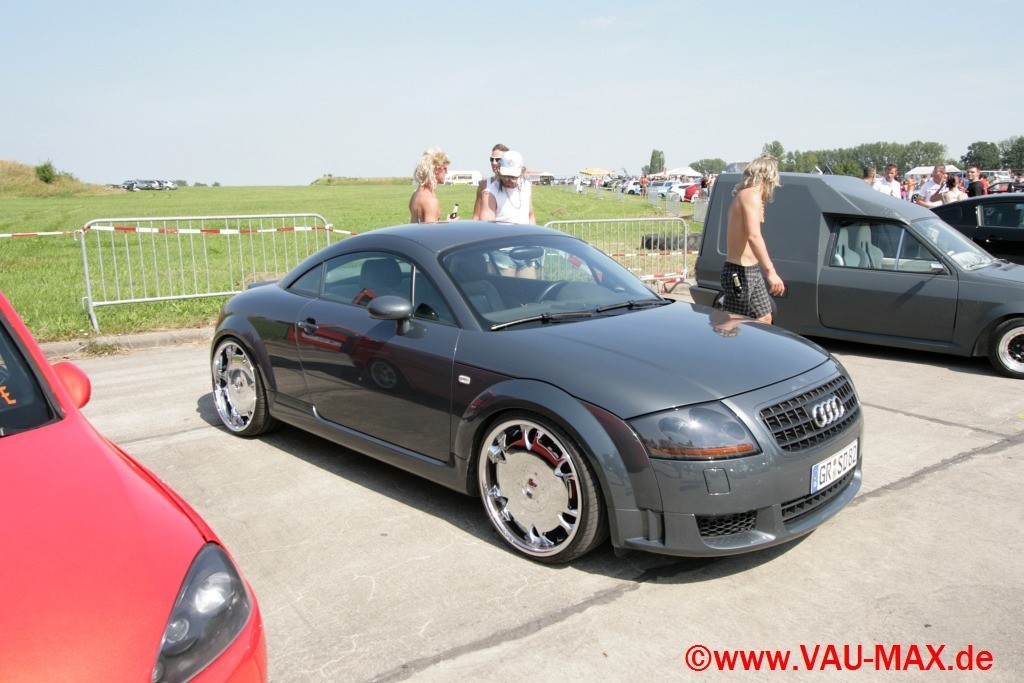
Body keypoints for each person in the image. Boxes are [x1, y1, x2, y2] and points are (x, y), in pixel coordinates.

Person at [719, 155, 784, 324]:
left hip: (750, 269)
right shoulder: (750, 196)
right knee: (733, 324)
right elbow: (754, 236)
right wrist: (771, 271)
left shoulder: (749, 196)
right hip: (739, 270)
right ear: (768, 178)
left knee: (764, 318)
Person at [478, 150, 537, 277]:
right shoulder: (490, 193)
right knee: (506, 288)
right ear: (499, 170)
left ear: (521, 172)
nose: (508, 180)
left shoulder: (526, 186)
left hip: (525, 250)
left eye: (513, 177)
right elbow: (486, 227)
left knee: (530, 287)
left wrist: (533, 242)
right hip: (502, 253)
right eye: (505, 176)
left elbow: (530, 215)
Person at [409, 148, 450, 223]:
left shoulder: (416, 193)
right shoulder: (430, 200)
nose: (446, 172)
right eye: (445, 168)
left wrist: (446, 222)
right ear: (436, 169)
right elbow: (430, 230)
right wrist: (449, 225)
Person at [472, 143, 509, 219]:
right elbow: (476, 216)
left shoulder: (517, 186)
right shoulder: (484, 185)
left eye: (498, 160)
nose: (494, 163)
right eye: (492, 159)